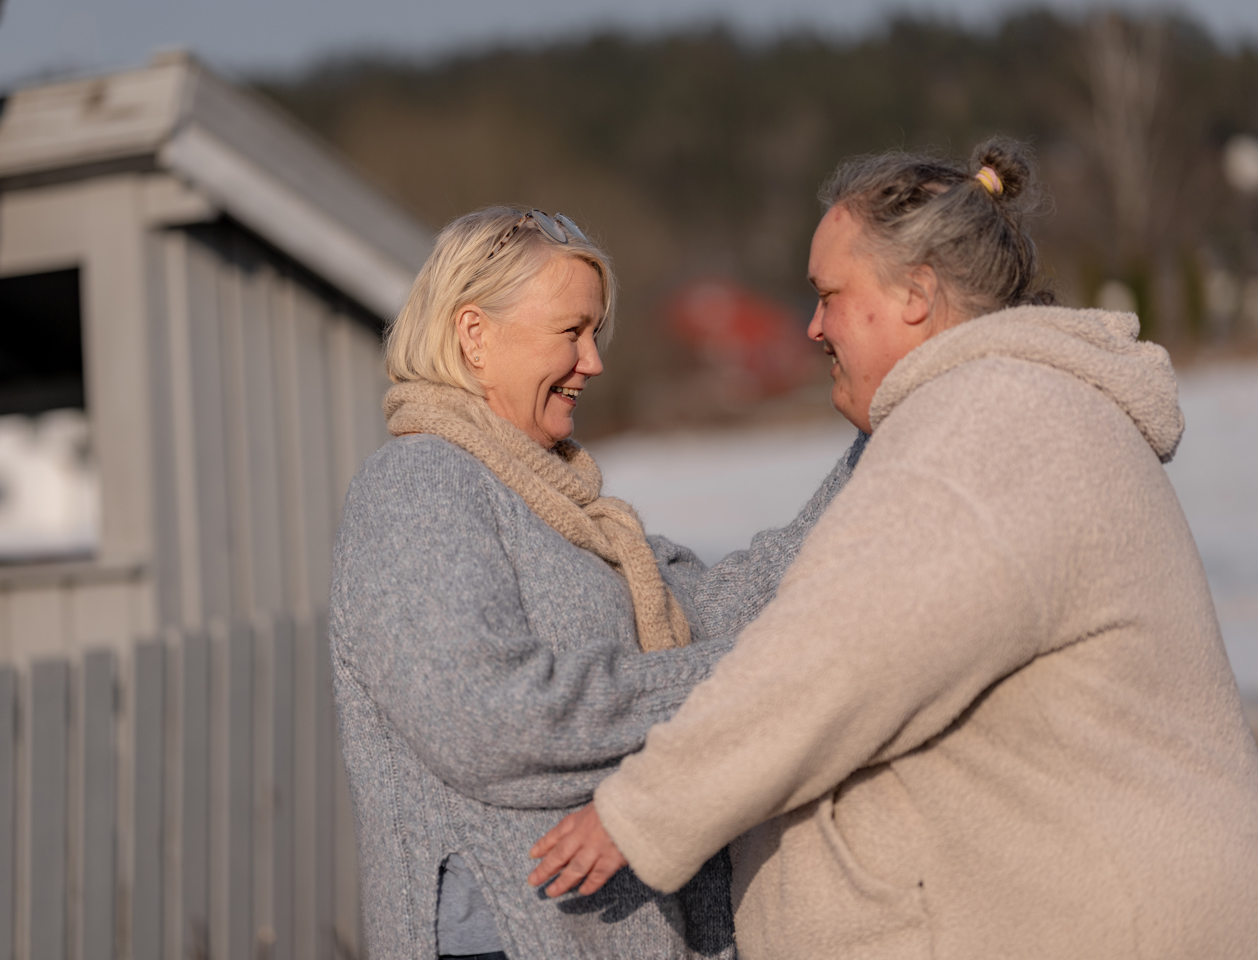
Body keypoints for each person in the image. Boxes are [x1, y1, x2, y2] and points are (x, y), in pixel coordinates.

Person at [529, 140, 1258, 958]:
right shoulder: (1019, 409)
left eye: (830, 295)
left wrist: (641, 810)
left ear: (917, 293)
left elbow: (838, 657)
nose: (812, 326)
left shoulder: (986, 425)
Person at [329, 206, 865, 960]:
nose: (594, 362)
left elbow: (707, 613)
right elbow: (491, 723)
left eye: (594, 334)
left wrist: (881, 451)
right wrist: (757, 677)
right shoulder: (418, 489)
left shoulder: (562, 507)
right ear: (474, 334)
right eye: (571, 332)